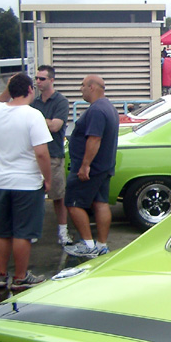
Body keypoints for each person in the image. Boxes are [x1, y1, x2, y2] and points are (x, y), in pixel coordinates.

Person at [0, 73, 52, 290]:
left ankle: (0, 275)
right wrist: (47, 179)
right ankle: (20, 276)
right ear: (30, 90)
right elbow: (41, 153)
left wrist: (9, 88)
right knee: (22, 232)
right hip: (26, 182)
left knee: (2, 231)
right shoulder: (33, 115)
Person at [63, 75, 118, 259]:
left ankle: (88, 245)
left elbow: (94, 139)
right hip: (103, 166)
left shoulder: (96, 110)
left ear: (92, 87)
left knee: (73, 203)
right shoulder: (108, 107)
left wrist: (85, 165)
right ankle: (101, 245)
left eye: (83, 85)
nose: (81, 89)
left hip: (91, 168)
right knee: (100, 203)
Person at [30, 65, 72, 246]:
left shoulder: (60, 101)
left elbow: (55, 126)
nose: (38, 82)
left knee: (58, 196)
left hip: (53, 154)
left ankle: (63, 231)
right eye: (36, 78)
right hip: (34, 156)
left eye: (42, 79)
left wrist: (36, 119)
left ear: (51, 80)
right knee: (33, 196)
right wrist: (44, 120)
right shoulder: (34, 103)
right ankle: (32, 230)